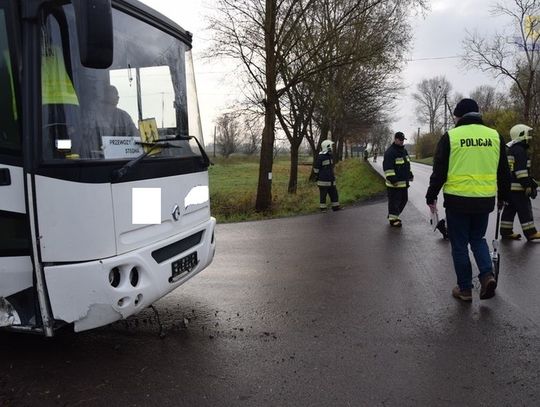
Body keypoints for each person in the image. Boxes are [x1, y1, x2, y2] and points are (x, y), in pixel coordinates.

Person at [425, 98, 511, 302]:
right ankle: (487, 275)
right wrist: (504, 197)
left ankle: (464, 289)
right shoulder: (495, 136)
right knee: (478, 239)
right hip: (484, 200)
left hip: (457, 201)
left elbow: (439, 171)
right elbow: (504, 172)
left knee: (459, 244)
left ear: (460, 115)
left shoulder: (451, 137)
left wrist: (431, 195)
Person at [500, 124, 540, 241]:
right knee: (525, 209)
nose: (529, 136)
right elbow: (521, 171)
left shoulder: (511, 149)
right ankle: (531, 232)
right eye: (527, 133)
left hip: (510, 188)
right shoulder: (520, 150)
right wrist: (527, 185)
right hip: (519, 189)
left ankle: (506, 231)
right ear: (522, 134)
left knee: (509, 210)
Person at [383, 132, 413, 227]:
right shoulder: (390, 152)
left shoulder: (404, 151)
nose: (402, 141)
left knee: (404, 200)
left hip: (403, 184)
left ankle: (394, 216)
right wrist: (393, 179)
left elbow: (407, 165)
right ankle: (393, 220)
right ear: (395, 139)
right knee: (394, 202)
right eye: (400, 140)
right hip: (394, 184)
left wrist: (410, 174)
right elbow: (388, 168)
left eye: (403, 140)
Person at [314, 139, 340, 212]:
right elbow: (316, 168)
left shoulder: (330, 156)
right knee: (323, 195)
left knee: (334, 194)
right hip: (323, 181)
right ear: (327, 147)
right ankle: (323, 208)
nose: (332, 147)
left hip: (331, 180)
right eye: (331, 146)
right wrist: (317, 176)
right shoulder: (321, 157)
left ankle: (335, 207)